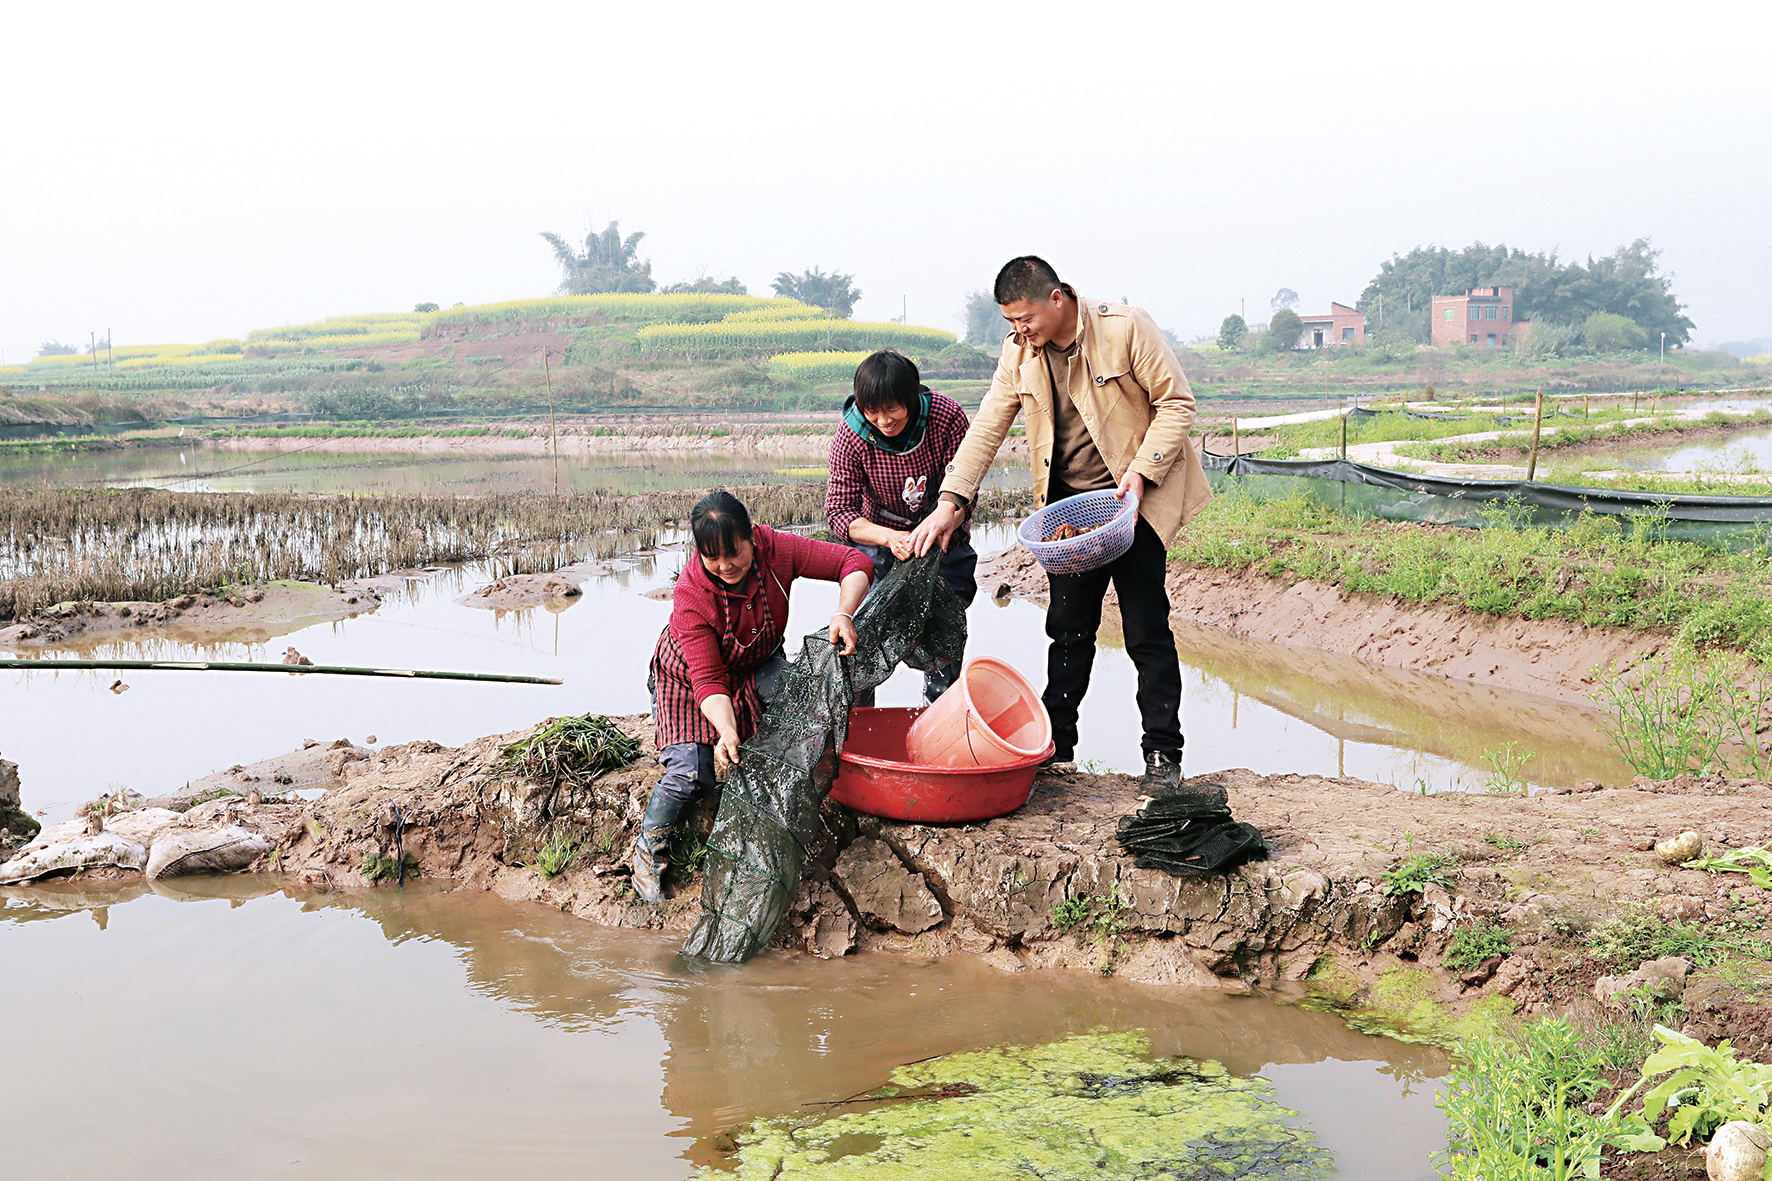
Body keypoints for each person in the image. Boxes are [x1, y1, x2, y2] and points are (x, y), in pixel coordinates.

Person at [909, 256, 1212, 794]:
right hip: (1068, 515)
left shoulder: (1125, 328)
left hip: (1133, 502)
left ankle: (1163, 755)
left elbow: (1177, 403)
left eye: (1024, 318)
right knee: (1067, 631)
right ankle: (1058, 751)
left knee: (1147, 630)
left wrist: (1141, 474)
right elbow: (986, 428)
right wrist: (951, 499)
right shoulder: (1018, 355)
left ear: (1056, 298)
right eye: (1010, 323)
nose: (1019, 331)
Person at [638, 490, 872, 901]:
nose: (726, 566)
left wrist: (843, 613)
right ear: (699, 553)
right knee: (692, 773)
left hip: (758, 662)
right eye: (713, 557)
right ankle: (646, 855)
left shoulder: (778, 549)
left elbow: (854, 562)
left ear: (753, 539)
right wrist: (726, 731)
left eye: (734, 553)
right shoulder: (692, 594)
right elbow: (709, 681)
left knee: (801, 700)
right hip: (687, 678)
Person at [825, 349, 976, 705]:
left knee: (943, 635)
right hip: (880, 542)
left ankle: (938, 719)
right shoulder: (851, 435)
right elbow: (839, 513)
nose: (883, 420)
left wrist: (938, 529)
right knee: (862, 640)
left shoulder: (946, 416)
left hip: (942, 538)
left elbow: (966, 492)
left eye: (892, 408)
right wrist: (891, 538)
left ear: (912, 397)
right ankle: (860, 730)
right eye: (872, 411)